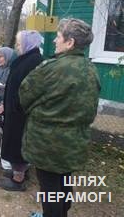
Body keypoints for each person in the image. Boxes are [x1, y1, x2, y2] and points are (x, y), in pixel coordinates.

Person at [20, 19, 100, 217]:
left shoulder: (51, 68)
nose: (55, 40)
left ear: (70, 42)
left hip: (48, 146)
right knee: (64, 185)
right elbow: (91, 109)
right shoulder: (91, 70)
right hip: (73, 144)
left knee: (50, 192)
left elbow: (24, 96)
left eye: (58, 36)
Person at [0, 30, 43, 191]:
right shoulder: (27, 58)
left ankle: (18, 180)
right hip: (15, 110)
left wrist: (14, 107)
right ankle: (20, 171)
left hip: (20, 112)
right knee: (16, 143)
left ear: (28, 44)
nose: (16, 46)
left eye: (18, 43)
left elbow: (28, 90)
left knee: (17, 144)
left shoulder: (33, 61)